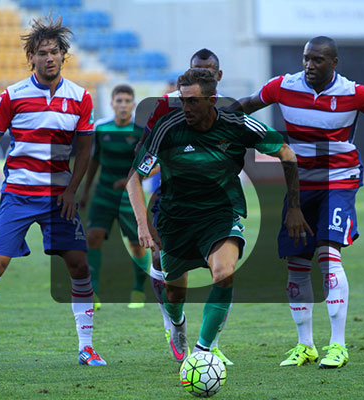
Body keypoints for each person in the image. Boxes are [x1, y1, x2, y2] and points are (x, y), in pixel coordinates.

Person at [233, 36, 364, 368]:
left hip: (340, 178)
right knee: (296, 262)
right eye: (306, 58)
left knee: (327, 251)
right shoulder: (282, 86)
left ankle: (338, 344)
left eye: (317, 60)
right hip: (298, 183)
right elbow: (247, 104)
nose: (309, 65)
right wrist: (210, 118)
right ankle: (305, 345)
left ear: (334, 63)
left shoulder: (354, 93)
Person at [0, 17, 106, 369]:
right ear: (30, 58)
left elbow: (85, 150)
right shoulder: (13, 95)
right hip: (18, 195)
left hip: (58, 198)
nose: (49, 58)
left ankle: (87, 347)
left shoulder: (80, 98)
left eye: (54, 52)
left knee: (79, 265)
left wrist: (72, 190)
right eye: (41, 53)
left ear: (64, 56)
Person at [127, 68, 311, 364]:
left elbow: (286, 153)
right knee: (174, 297)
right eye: (183, 100)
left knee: (223, 274)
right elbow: (134, 178)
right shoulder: (168, 127)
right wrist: (142, 224)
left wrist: (293, 205)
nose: (185, 108)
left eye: (193, 102)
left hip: (222, 214)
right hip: (176, 220)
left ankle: (202, 353)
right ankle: (177, 325)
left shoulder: (237, 125)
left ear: (213, 99)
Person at [139, 49, 234, 364]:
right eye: (196, 70)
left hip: (214, 206)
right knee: (159, 257)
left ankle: (210, 346)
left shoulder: (229, 111)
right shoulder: (168, 104)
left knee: (222, 272)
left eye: (208, 71)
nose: (203, 75)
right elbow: (146, 144)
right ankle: (173, 321)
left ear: (218, 77)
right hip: (170, 198)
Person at [79, 84, 150, 309]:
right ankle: (94, 294)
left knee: (136, 244)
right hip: (103, 192)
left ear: (133, 104)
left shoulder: (140, 131)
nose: (123, 105)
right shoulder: (101, 128)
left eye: (127, 101)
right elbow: (94, 161)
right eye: (119, 101)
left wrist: (131, 181)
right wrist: (85, 191)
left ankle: (139, 290)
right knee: (93, 236)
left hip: (131, 196)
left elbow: (149, 164)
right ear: (112, 104)